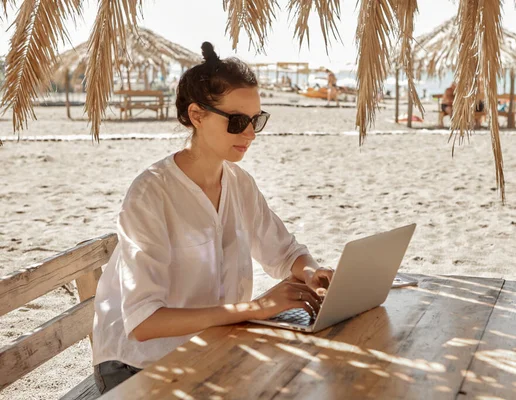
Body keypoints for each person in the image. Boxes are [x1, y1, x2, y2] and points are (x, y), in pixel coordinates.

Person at [91, 41, 334, 395]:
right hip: (137, 364)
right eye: (237, 121)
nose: (250, 133)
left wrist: (313, 273)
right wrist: (257, 308)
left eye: (256, 121)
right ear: (197, 115)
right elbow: (144, 321)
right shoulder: (151, 193)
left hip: (212, 344)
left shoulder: (238, 183)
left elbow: (284, 252)